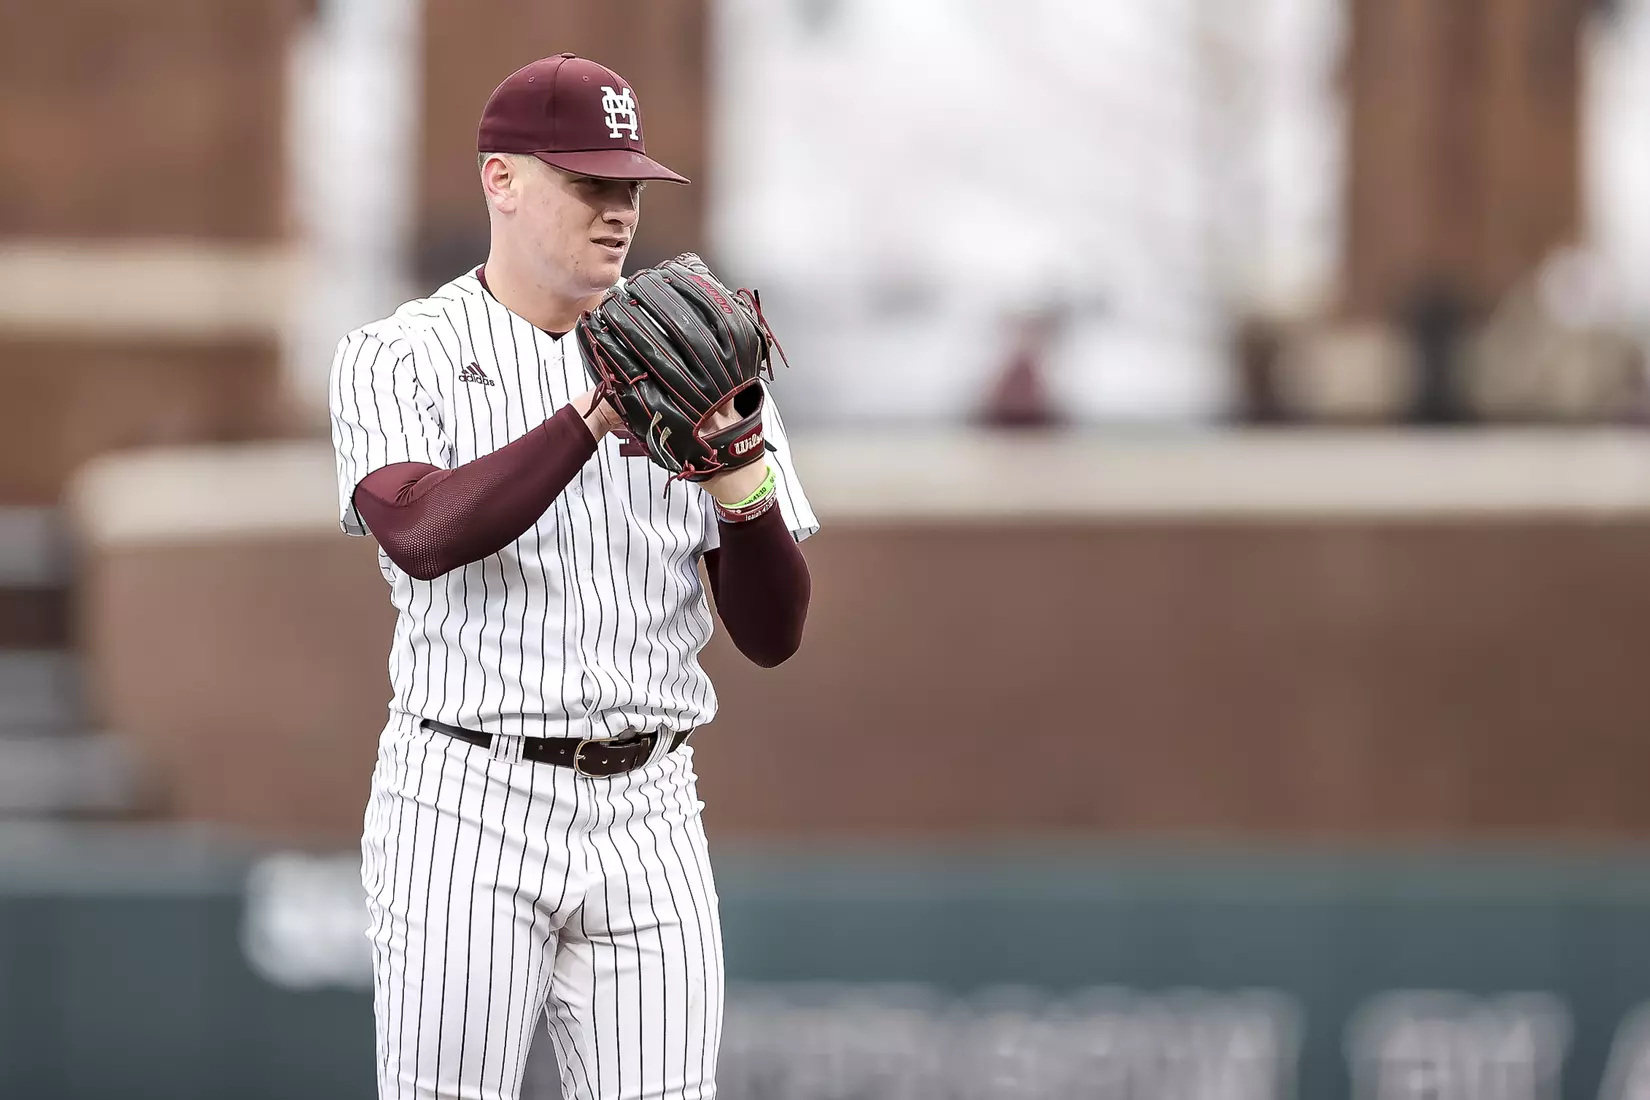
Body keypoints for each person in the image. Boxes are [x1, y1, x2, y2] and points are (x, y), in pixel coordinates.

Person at [328, 53, 816, 1100]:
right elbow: (420, 529)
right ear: (502, 180)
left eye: (629, 187)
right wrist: (593, 413)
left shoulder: (700, 356)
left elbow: (772, 632)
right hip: (465, 795)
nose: (618, 212)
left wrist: (741, 474)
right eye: (589, 184)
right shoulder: (395, 354)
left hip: (651, 804)